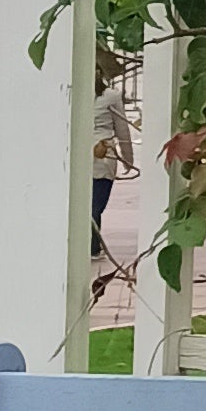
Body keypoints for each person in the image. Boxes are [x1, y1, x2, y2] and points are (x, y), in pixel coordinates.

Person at [91, 67, 137, 265]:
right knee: (92, 205)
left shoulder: (111, 97)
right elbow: (122, 129)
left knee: (92, 205)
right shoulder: (110, 96)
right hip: (92, 156)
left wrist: (127, 158)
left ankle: (92, 244)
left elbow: (122, 129)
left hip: (98, 156)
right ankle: (92, 245)